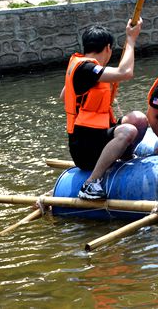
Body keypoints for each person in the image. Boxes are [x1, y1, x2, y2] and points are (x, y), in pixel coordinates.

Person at [64, 21, 149, 200]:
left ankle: (123, 156)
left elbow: (64, 94)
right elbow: (125, 72)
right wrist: (131, 40)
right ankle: (91, 183)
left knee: (139, 119)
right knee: (129, 130)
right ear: (108, 48)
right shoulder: (86, 68)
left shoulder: (83, 67)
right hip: (84, 148)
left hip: (96, 137)